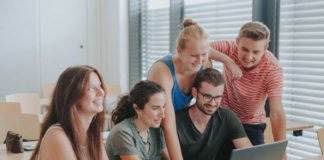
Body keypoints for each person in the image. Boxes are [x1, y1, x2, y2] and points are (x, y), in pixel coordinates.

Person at [147, 18, 241, 159]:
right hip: (151, 126)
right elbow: (169, 126)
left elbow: (206, 52)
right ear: (179, 51)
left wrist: (228, 61)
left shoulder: (204, 66)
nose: (200, 60)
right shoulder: (162, 72)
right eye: (194, 55)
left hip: (174, 128)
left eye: (203, 55)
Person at [209, 21, 286, 145]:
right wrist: (228, 60)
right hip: (223, 117)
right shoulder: (230, 48)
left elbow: (276, 112)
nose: (249, 57)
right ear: (237, 42)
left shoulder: (273, 68)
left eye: (256, 52)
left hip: (252, 124)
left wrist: (282, 151)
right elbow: (202, 49)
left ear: (265, 49)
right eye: (245, 49)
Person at [31, 65, 108, 160]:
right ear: (72, 96)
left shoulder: (92, 136)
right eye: (91, 88)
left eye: (100, 86)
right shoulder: (56, 136)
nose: (101, 92)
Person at [176, 68, 252, 160]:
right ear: (195, 92)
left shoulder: (227, 117)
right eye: (207, 96)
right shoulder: (177, 121)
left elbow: (249, 154)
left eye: (217, 97)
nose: (212, 103)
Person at [106, 80, 170, 160]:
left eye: (163, 107)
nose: (162, 115)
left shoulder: (156, 130)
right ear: (137, 108)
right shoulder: (122, 133)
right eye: (155, 108)